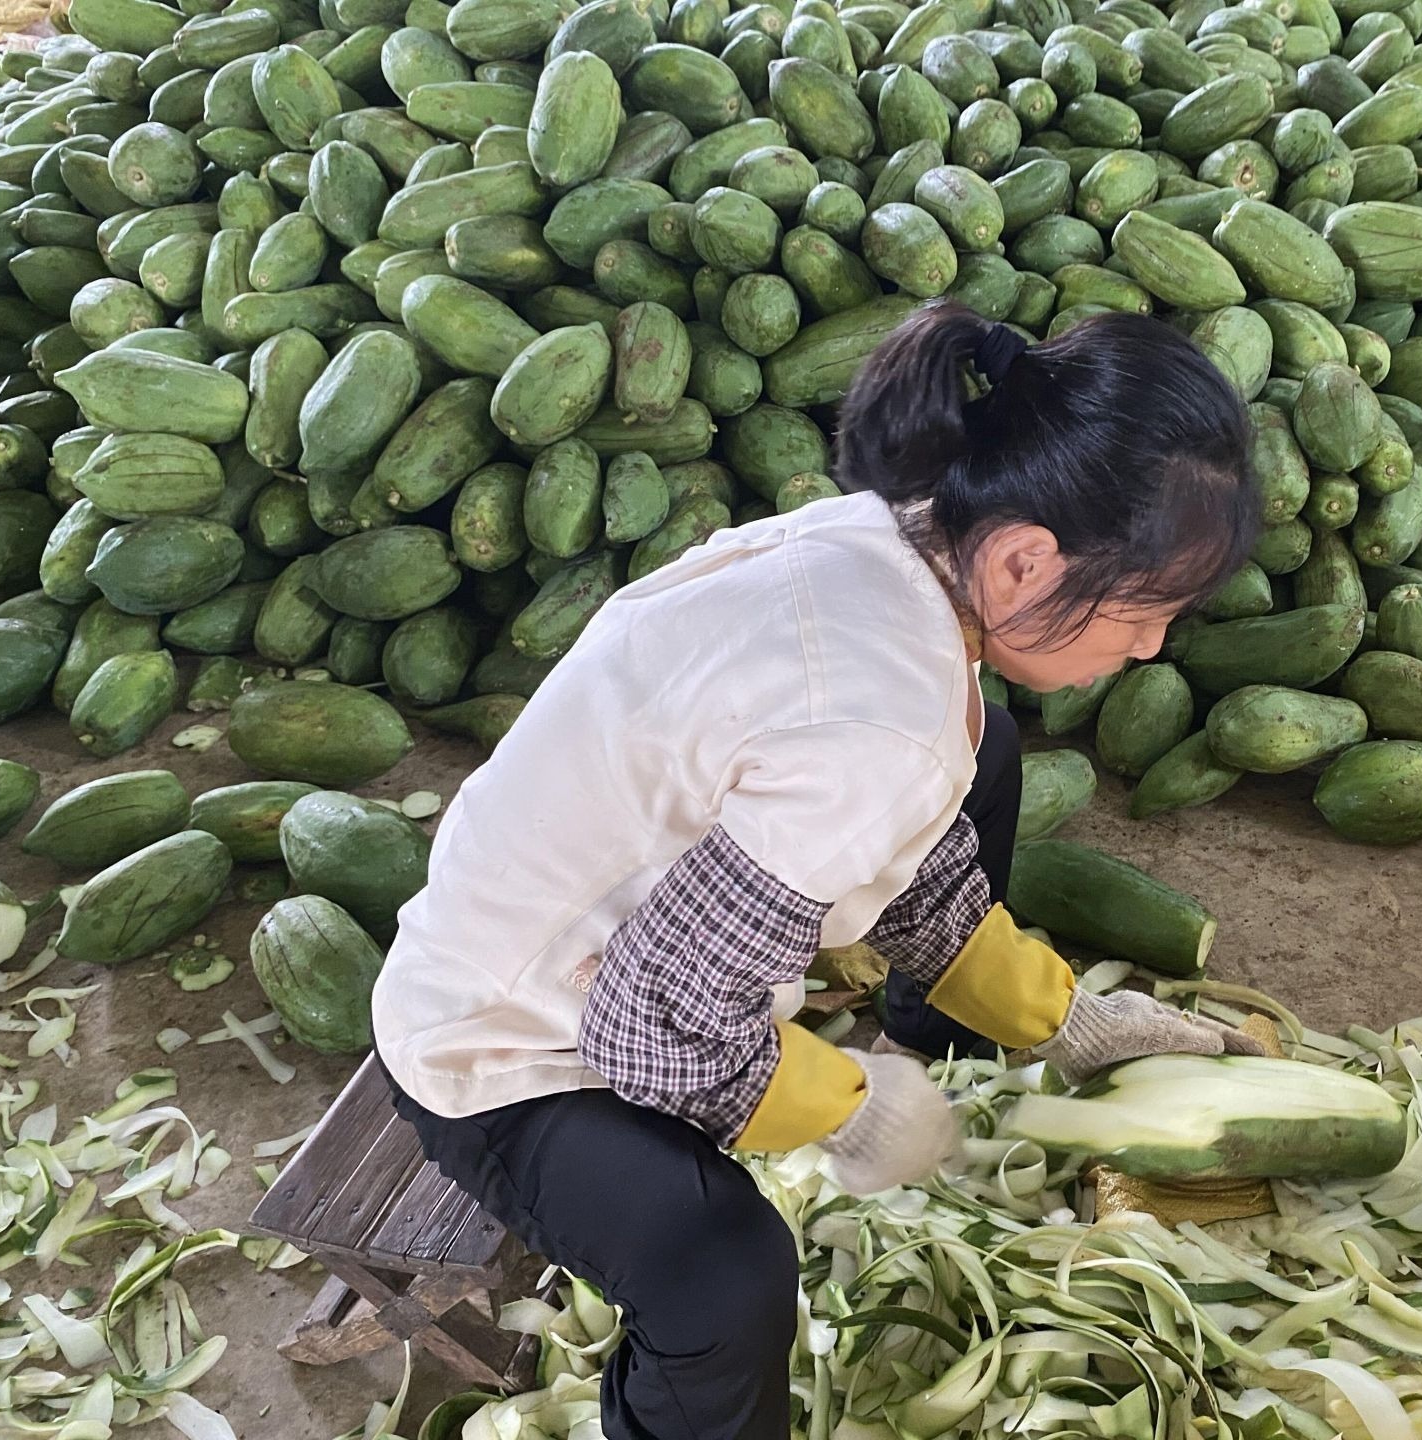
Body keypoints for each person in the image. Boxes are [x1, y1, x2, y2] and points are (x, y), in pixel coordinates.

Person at [369, 302, 1262, 1440]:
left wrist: (1064, 1020)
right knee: (725, 1277)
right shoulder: (877, 725)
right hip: (505, 1042)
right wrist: (851, 1109)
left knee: (979, 749)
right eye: (1148, 614)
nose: (1148, 648)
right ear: (1026, 559)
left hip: (607, 941)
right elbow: (653, 1028)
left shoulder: (892, 543)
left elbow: (917, 865)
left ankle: (943, 1030)